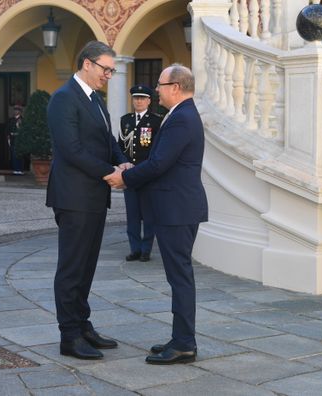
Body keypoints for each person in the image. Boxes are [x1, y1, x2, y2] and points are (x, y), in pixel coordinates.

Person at [104, 64, 208, 365]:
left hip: (177, 209)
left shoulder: (181, 118)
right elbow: (161, 162)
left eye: (160, 85)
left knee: (180, 278)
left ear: (175, 87)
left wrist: (127, 177)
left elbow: (160, 163)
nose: (156, 90)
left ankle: (185, 344)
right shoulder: (180, 115)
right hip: (176, 207)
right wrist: (133, 169)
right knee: (179, 276)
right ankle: (180, 338)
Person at [46, 40, 131, 360]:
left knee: (87, 266)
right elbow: (71, 150)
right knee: (71, 268)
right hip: (73, 196)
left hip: (94, 196)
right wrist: (111, 172)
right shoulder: (63, 99)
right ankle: (69, 335)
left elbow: (107, 140)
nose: (109, 75)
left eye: (112, 70)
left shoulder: (95, 99)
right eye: (106, 69)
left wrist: (122, 161)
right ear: (87, 64)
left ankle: (82, 325)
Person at [118, 85, 162, 262]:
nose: (139, 101)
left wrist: (145, 169)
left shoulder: (156, 121)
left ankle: (146, 249)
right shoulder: (125, 120)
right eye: (136, 98)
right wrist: (122, 163)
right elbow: (121, 146)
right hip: (129, 174)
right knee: (132, 214)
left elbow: (157, 150)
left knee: (149, 215)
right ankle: (134, 249)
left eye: (143, 98)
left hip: (147, 175)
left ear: (149, 101)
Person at [6, 103, 25, 175]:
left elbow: (24, 130)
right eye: (15, 110)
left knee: (19, 155)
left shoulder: (22, 120)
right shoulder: (11, 120)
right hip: (12, 139)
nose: (16, 111)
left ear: (20, 111)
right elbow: (8, 129)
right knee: (13, 155)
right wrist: (8, 138)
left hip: (19, 139)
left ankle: (20, 169)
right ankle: (15, 169)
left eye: (17, 110)